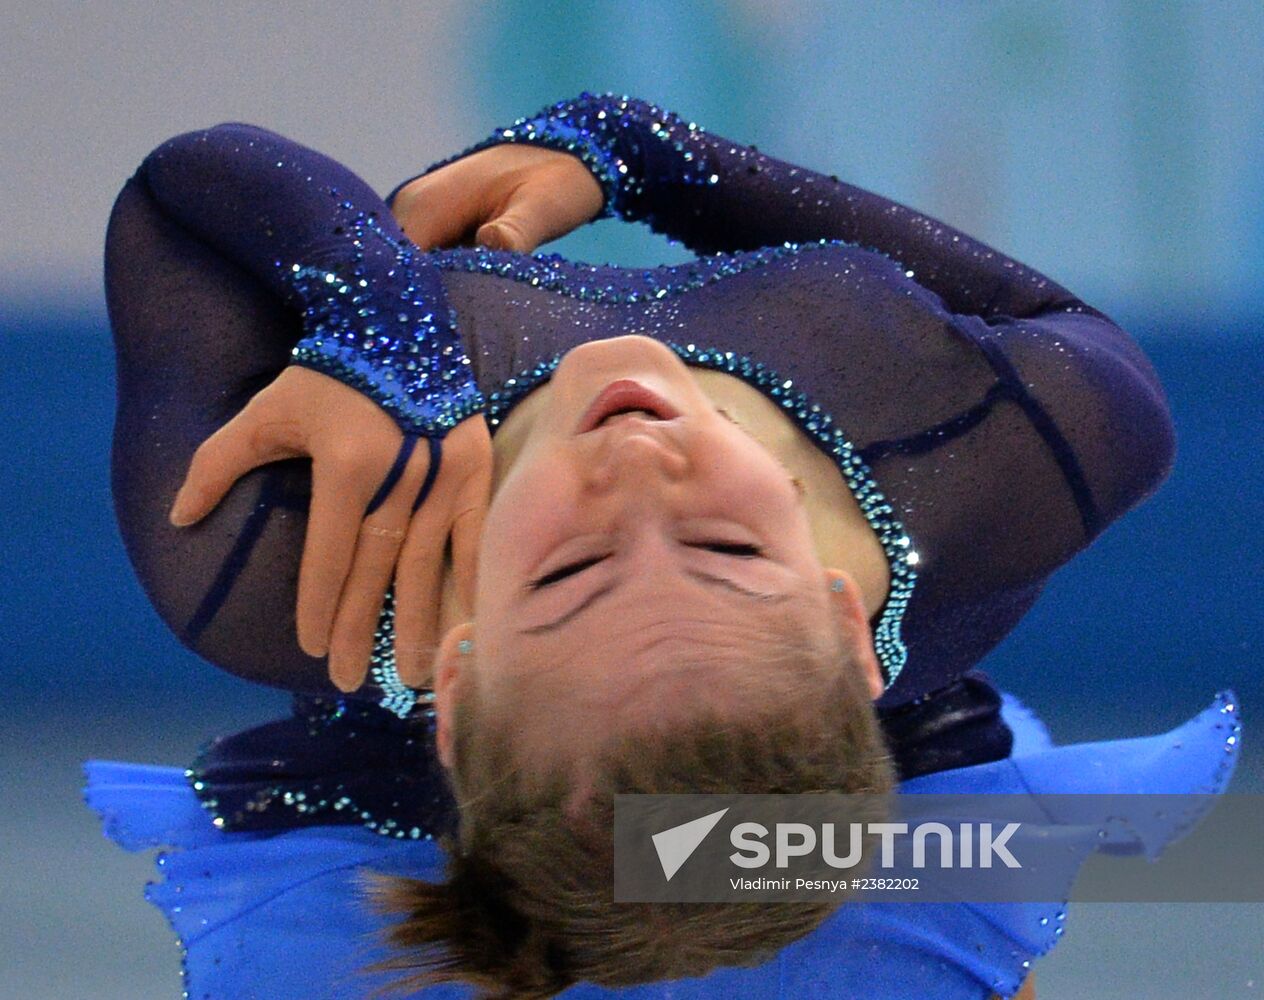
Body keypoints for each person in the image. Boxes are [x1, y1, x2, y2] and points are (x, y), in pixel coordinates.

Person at [85, 94, 1240, 999]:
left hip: (429, 787)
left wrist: (383, 322)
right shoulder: (1014, 454)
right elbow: (1066, 327)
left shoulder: (269, 560)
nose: (637, 473)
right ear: (844, 622)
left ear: (459, 686)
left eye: (570, 570)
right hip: (824, 787)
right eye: (728, 547)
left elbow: (177, 196)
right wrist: (636, 150)